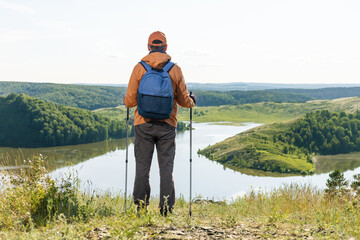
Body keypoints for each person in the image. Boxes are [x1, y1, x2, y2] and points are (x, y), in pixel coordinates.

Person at [123, 31, 196, 216]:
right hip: (167, 125)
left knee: (142, 169)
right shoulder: (175, 69)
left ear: (148, 47)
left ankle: (140, 208)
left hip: (143, 124)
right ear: (166, 47)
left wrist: (126, 100)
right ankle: (166, 208)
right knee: (166, 169)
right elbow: (183, 101)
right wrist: (192, 101)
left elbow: (130, 101)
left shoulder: (139, 68)